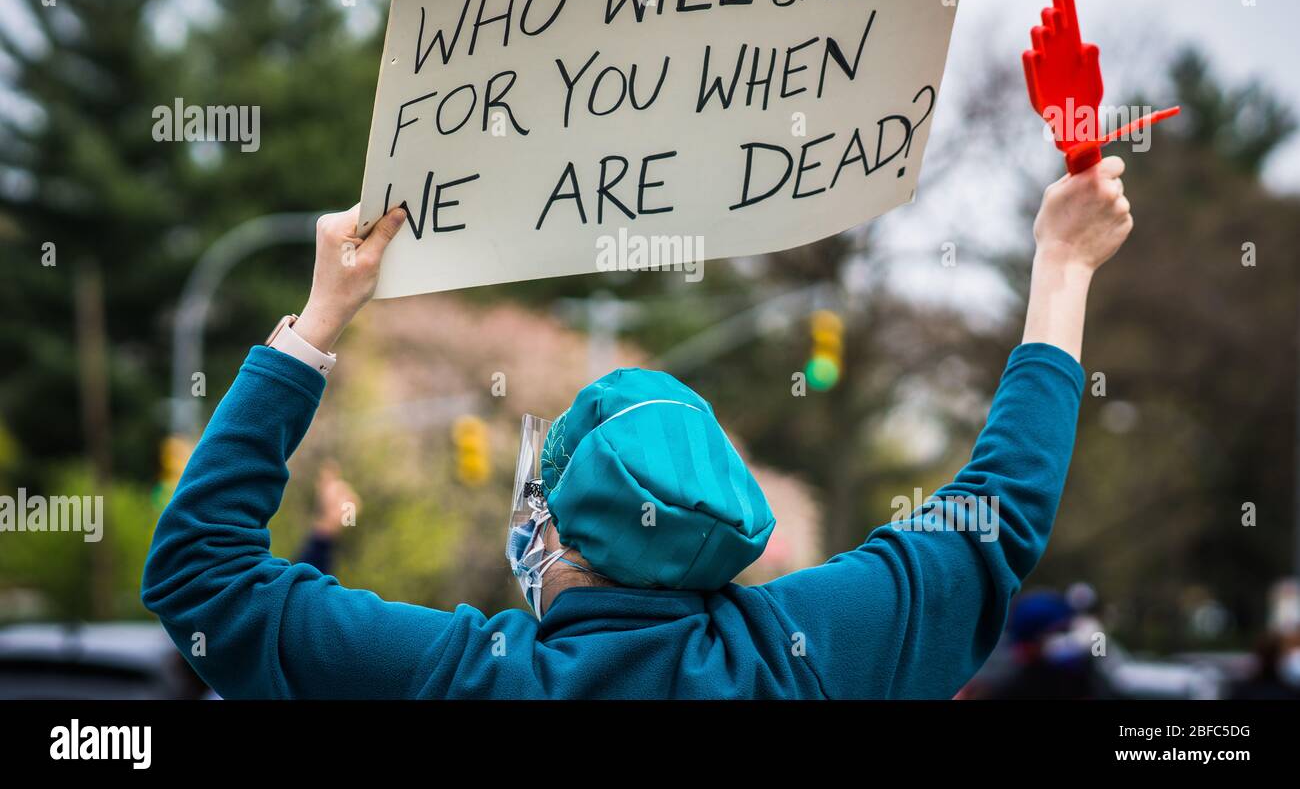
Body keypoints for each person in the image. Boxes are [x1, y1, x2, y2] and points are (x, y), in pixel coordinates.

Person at [142, 156, 1134, 698]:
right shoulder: (815, 649)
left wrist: (316, 321)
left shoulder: (454, 676)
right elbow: (998, 510)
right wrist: (1062, 268)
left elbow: (197, 576)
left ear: (555, 533)